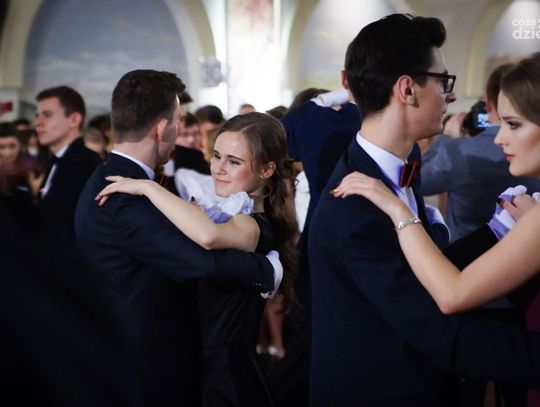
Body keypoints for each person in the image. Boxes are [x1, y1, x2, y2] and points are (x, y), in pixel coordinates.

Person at [308, 14, 540, 406]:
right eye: (442, 81)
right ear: (407, 90)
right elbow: (434, 323)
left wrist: (496, 231)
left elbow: (428, 271)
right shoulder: (353, 208)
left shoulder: (402, 163)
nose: (450, 95)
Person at [75, 70, 282, 406]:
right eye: (178, 121)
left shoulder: (123, 183)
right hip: (148, 367)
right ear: (161, 128)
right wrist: (267, 271)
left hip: (201, 366)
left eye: (232, 161)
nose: (218, 167)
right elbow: (202, 262)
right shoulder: (122, 195)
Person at [421, 62, 540, 241]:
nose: (498, 140)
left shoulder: (455, 150)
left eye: (513, 123)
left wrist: (446, 139)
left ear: (488, 104)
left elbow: (419, 182)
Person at [35, 85, 101, 236]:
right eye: (37, 115)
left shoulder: (86, 165)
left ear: (74, 120)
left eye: (47, 115)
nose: (38, 123)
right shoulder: (57, 160)